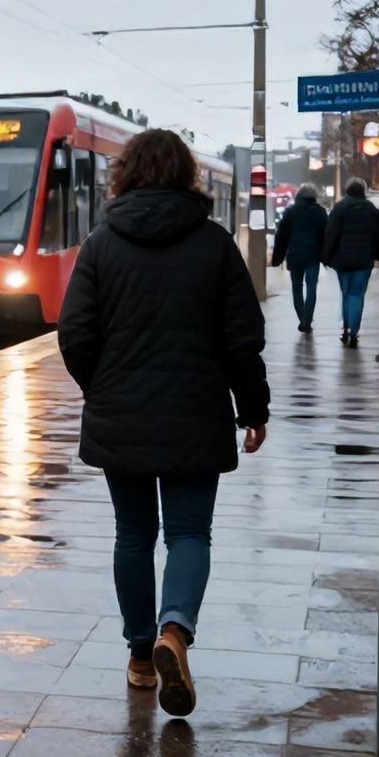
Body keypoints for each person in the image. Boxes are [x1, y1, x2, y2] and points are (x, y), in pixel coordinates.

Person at [58, 129, 269, 719]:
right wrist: (253, 409)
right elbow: (242, 340)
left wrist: (102, 390)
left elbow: (74, 335)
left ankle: (140, 657)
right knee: (189, 534)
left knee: (133, 535)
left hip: (120, 416)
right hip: (197, 416)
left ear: (123, 175)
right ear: (187, 176)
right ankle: (174, 629)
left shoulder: (100, 245)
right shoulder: (214, 245)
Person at [322, 177, 379, 348]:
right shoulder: (371, 210)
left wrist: (326, 257)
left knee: (345, 294)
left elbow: (331, 234)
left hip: (342, 261)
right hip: (364, 261)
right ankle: (354, 332)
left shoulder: (340, 207)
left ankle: (345, 328)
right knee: (357, 295)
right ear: (363, 191)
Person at [270, 185, 327, 332]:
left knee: (297, 288)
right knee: (311, 287)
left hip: (295, 256)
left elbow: (281, 236)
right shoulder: (320, 212)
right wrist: (326, 256)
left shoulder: (290, 212)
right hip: (313, 256)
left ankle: (302, 319)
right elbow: (325, 235)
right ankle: (307, 320)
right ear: (314, 197)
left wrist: (277, 257)